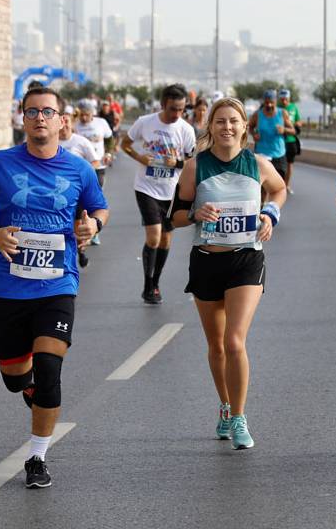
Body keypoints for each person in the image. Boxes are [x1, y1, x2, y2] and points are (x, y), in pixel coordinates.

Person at [0, 86, 109, 489]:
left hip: (59, 282)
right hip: (10, 285)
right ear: (21, 119)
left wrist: (92, 224)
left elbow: (99, 208)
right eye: (31, 112)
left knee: (49, 367)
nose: (39, 118)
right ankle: (26, 387)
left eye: (47, 111)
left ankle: (37, 456)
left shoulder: (78, 169)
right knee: (14, 375)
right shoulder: (0, 164)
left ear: (63, 121)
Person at [171, 97, 287, 450]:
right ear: (210, 127)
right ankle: (225, 404)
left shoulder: (258, 164)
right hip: (207, 259)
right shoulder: (195, 167)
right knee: (217, 345)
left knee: (235, 340)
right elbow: (174, 217)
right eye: (220, 121)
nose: (227, 128)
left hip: (245, 259)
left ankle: (239, 417)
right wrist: (195, 215)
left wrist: (269, 214)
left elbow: (280, 189)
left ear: (245, 127)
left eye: (233, 121)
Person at [119, 84, 197, 304]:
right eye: (173, 109)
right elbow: (124, 144)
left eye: (181, 109)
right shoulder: (145, 122)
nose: (176, 114)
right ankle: (147, 285)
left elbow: (192, 162)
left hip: (171, 190)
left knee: (165, 239)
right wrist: (139, 157)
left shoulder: (186, 130)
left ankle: (155, 283)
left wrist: (178, 162)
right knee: (153, 235)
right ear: (163, 105)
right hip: (146, 187)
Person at [58, 106, 103, 268]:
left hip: (76, 192)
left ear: (71, 123)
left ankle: (81, 251)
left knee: (77, 226)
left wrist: (81, 173)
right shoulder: (51, 141)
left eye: (67, 122)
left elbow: (96, 162)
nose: (64, 126)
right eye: (61, 122)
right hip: (56, 192)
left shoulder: (81, 142)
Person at [249, 89, 290, 179]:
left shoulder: (282, 113)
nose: (269, 105)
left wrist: (284, 129)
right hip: (262, 154)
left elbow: (293, 130)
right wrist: (254, 134)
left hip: (279, 154)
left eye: (271, 102)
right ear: (264, 101)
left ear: (276, 101)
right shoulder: (257, 114)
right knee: (263, 188)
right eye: (267, 102)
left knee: (278, 186)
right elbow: (249, 127)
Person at [278, 89, 302, 194]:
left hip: (291, 140)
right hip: (279, 141)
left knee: (289, 164)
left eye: (286, 99)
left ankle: (286, 185)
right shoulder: (277, 108)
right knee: (278, 165)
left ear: (289, 98)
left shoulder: (294, 107)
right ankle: (278, 186)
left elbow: (299, 120)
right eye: (282, 99)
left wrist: (298, 124)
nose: (284, 101)